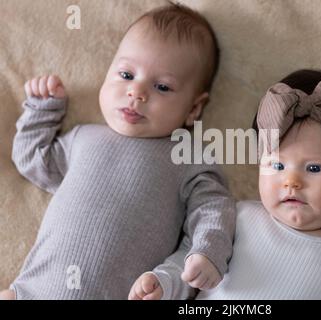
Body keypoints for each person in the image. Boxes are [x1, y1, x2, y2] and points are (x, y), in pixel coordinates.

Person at [0, 3, 235, 300]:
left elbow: (215, 209)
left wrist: (206, 252)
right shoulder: (84, 138)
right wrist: (41, 110)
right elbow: (32, 160)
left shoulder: (187, 158)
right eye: (126, 75)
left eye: (162, 86)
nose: (137, 92)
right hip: (33, 292)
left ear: (194, 108)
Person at [136, 69, 321, 299]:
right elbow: (191, 256)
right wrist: (165, 283)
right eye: (277, 166)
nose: (292, 182)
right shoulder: (236, 218)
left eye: (314, 168)